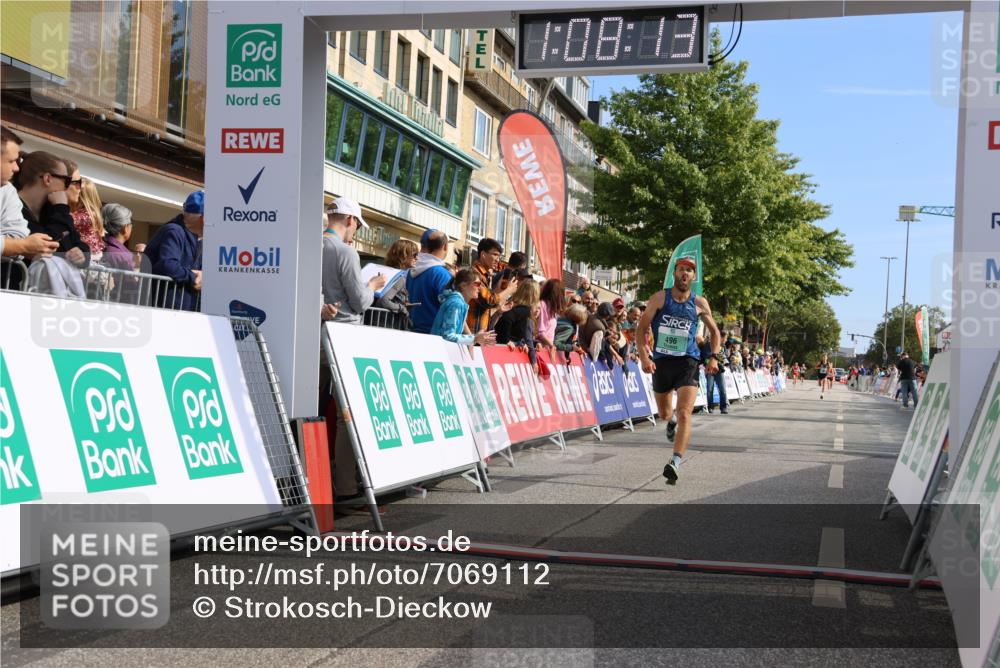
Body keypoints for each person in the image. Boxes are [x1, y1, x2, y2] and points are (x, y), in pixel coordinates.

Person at [636, 255, 721, 485]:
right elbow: (641, 330)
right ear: (674, 273)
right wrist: (644, 356)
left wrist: (713, 357)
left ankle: (675, 462)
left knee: (685, 412)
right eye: (681, 269)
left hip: (688, 362)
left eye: (689, 271)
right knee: (665, 414)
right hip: (662, 362)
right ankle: (670, 421)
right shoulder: (659, 298)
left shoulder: (699, 303)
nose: (685, 274)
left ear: (694, 277)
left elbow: (715, 332)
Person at [17, 151, 88, 267]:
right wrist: (60, 208)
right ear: (47, 179)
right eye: (67, 181)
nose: (67, 187)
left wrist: (81, 253)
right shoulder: (12, 206)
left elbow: (78, 242)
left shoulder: (53, 210)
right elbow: (46, 244)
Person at [321, 197, 386, 323]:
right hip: (342, 328)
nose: (356, 230)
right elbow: (360, 302)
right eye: (359, 225)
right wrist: (372, 286)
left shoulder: (309, 244)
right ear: (351, 219)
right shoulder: (346, 252)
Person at [1, 126, 57, 260]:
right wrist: (21, 246)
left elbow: (19, 237)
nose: (16, 168)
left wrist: (17, 245)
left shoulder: (7, 191)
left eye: (17, 160)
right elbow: (22, 244)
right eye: (11, 161)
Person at [144, 190, 204, 310]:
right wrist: (193, 277)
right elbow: (167, 264)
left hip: (181, 311)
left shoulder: (194, 237)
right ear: (204, 218)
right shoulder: (174, 231)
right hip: (166, 312)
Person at [430, 268, 497, 347]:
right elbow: (447, 336)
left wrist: (474, 338)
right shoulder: (456, 304)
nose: (480, 288)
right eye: (478, 284)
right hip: (439, 350)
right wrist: (474, 338)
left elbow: (459, 326)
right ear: (464, 286)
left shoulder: (457, 301)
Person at [467, 237, 516, 334]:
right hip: (470, 335)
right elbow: (489, 301)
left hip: (478, 334)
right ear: (483, 254)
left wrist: (499, 292)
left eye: (499, 256)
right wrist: (508, 290)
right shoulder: (474, 274)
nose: (498, 260)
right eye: (495, 255)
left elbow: (488, 306)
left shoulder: (486, 276)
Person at [408, 229, 453, 334]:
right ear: (445, 247)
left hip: (411, 331)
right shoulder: (442, 274)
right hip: (435, 336)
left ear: (422, 246)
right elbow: (451, 308)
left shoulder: (410, 271)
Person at [494, 279, 542, 373]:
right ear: (534, 295)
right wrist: (506, 340)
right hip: (502, 349)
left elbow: (518, 331)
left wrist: (521, 343)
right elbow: (506, 320)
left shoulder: (517, 306)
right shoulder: (524, 310)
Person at [376, 238, 417, 329]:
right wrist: (402, 308)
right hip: (388, 326)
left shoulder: (386, 272)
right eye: (414, 255)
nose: (417, 258)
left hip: (378, 323)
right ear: (404, 256)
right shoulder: (399, 277)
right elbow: (383, 301)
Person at [68, 173, 105, 262]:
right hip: (90, 255)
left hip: (88, 257)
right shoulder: (92, 214)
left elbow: (68, 221)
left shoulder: (86, 216)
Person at [100, 203, 134, 271]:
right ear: (125, 228)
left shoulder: (96, 246)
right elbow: (129, 281)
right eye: (131, 224)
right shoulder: (122, 255)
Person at [700, 331, 728, 414]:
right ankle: (710, 407)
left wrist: (723, 359)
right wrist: (719, 356)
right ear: (721, 337)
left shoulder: (723, 346)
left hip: (720, 369)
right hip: (710, 369)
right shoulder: (708, 345)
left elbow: (725, 356)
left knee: (722, 389)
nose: (726, 340)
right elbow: (707, 355)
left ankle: (723, 407)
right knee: (710, 389)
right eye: (725, 338)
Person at [537, 278, 565, 349]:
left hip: (547, 349)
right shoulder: (542, 304)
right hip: (539, 348)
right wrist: (551, 345)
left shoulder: (553, 308)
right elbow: (540, 332)